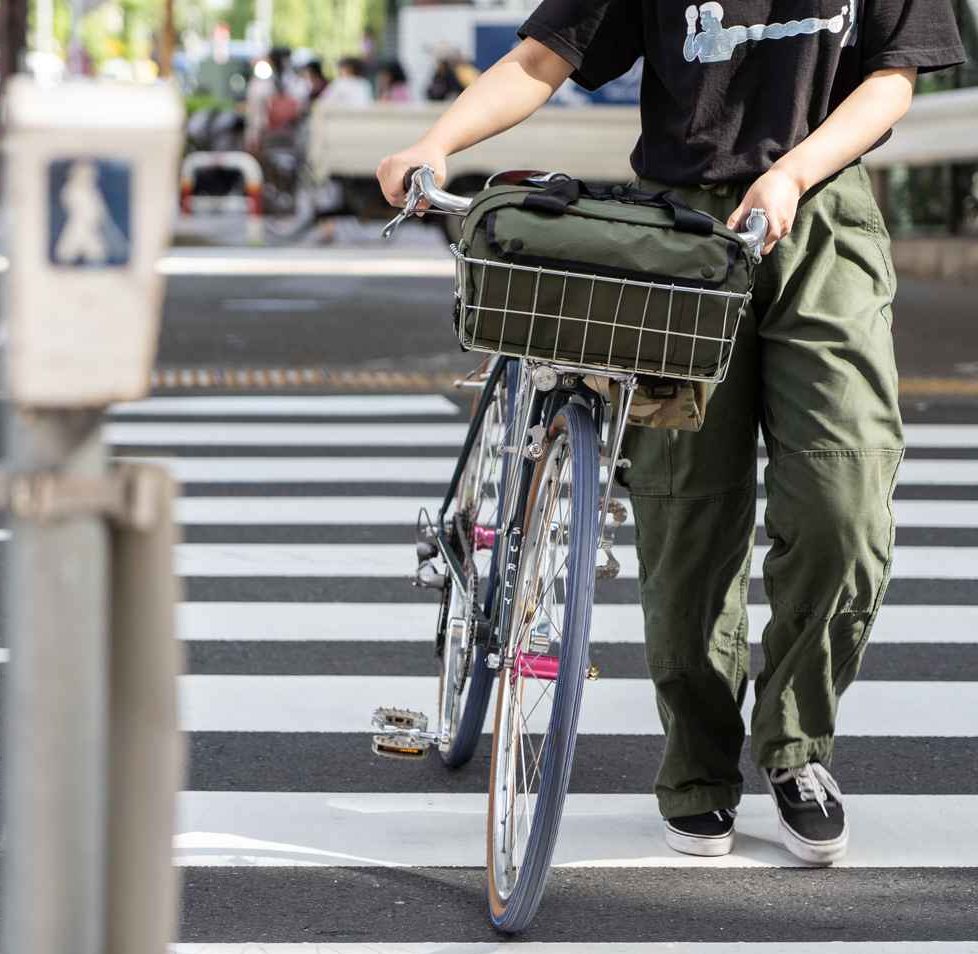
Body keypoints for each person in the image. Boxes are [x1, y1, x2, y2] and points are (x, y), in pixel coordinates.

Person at [377, 1, 965, 866]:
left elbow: (892, 78)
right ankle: (697, 768)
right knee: (687, 515)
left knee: (848, 502)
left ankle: (798, 746)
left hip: (823, 215)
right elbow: (545, 57)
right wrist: (437, 142)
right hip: (680, 237)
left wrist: (793, 174)